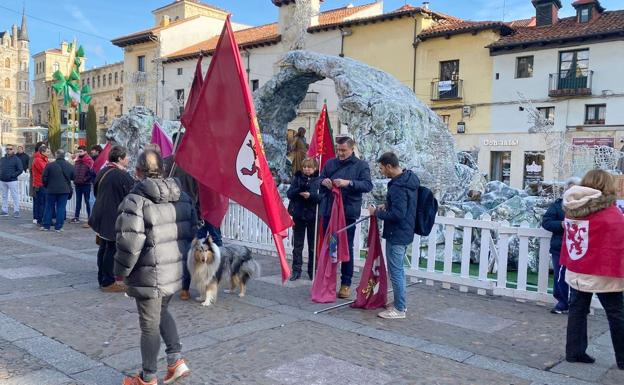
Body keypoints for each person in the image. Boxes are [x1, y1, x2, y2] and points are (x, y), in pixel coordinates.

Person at [116, 150, 194, 385]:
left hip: (149, 273)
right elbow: (190, 232)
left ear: (137, 172)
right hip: (174, 270)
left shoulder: (135, 200)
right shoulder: (182, 196)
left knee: (149, 324)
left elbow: (129, 242)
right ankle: (175, 361)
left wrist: (120, 271)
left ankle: (147, 377)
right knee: (160, 314)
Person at [561, 170, 624, 369]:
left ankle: (574, 352)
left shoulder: (572, 207)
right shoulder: (610, 212)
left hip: (578, 268)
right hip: (604, 271)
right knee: (616, 314)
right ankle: (622, 358)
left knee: (577, 311)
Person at [319, 136, 373, 298]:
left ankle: (346, 283)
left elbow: (367, 185)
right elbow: (319, 179)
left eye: (343, 150)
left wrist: (348, 183)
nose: (340, 153)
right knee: (330, 247)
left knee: (346, 248)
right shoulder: (330, 163)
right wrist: (324, 182)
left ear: (352, 148)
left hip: (347, 214)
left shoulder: (361, 165)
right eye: (338, 150)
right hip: (329, 212)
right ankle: (328, 281)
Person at [369, 152, 419, 319]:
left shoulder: (398, 186)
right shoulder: (408, 179)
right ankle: (400, 302)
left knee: (396, 271)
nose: (381, 171)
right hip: (405, 231)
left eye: (382, 168)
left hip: (397, 233)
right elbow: (403, 205)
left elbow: (398, 214)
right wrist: (387, 204)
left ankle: (399, 308)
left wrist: (377, 212)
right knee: (398, 270)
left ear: (389, 166)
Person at [89, 146, 135, 293]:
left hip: (101, 213)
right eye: (126, 157)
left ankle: (102, 278)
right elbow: (130, 196)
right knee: (110, 249)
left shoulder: (103, 170)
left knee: (104, 248)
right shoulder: (121, 175)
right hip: (112, 216)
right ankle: (108, 282)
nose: (128, 159)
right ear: (120, 159)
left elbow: (96, 191)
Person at [163, 132, 200, 301]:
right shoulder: (193, 163)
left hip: (169, 209)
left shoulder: (166, 162)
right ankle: (184, 288)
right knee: (186, 251)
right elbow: (199, 190)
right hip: (188, 210)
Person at [541, 177, 581, 314]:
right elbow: (546, 222)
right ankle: (562, 302)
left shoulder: (585, 206)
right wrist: (561, 225)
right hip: (560, 246)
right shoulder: (557, 205)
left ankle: (578, 305)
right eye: (569, 189)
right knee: (560, 275)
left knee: (578, 277)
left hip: (579, 247)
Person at [287, 157, 320, 281]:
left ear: (314, 168)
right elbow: (290, 194)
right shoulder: (297, 178)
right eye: (305, 167)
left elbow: (322, 197)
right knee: (297, 245)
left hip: (313, 216)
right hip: (299, 215)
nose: (306, 169)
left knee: (313, 246)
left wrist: (311, 196)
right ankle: (296, 270)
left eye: (309, 167)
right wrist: (299, 190)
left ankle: (312, 271)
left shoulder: (319, 180)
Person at [41, 149, 75, 232]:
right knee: (61, 208)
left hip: (51, 189)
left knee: (49, 207)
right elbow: (74, 177)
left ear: (56, 155)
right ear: (64, 156)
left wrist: (47, 185)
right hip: (64, 190)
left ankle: (46, 225)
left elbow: (44, 177)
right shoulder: (70, 166)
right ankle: (58, 227)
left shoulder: (50, 165)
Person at [72, 145, 95, 226]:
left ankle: (90, 218)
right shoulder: (77, 161)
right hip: (78, 184)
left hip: (86, 184)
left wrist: (85, 179)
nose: (79, 153)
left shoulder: (89, 160)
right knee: (78, 201)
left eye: (81, 151)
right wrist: (75, 178)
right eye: (78, 151)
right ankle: (76, 217)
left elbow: (92, 172)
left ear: (85, 152)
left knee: (87, 201)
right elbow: (74, 171)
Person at [0, 144, 23, 218]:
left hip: (12, 181)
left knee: (15, 196)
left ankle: (16, 211)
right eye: (7, 149)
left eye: (10, 149)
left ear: (13, 150)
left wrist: (12, 175)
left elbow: (20, 170)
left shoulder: (16, 159)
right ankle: (4, 210)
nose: (8, 150)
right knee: (4, 196)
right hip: (2, 180)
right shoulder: (2, 159)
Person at [31, 144, 49, 226]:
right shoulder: (38, 160)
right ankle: (40, 219)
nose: (49, 153)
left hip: (41, 183)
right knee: (41, 202)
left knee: (43, 202)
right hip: (40, 184)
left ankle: (42, 218)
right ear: (42, 152)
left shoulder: (42, 159)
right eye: (47, 152)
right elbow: (44, 170)